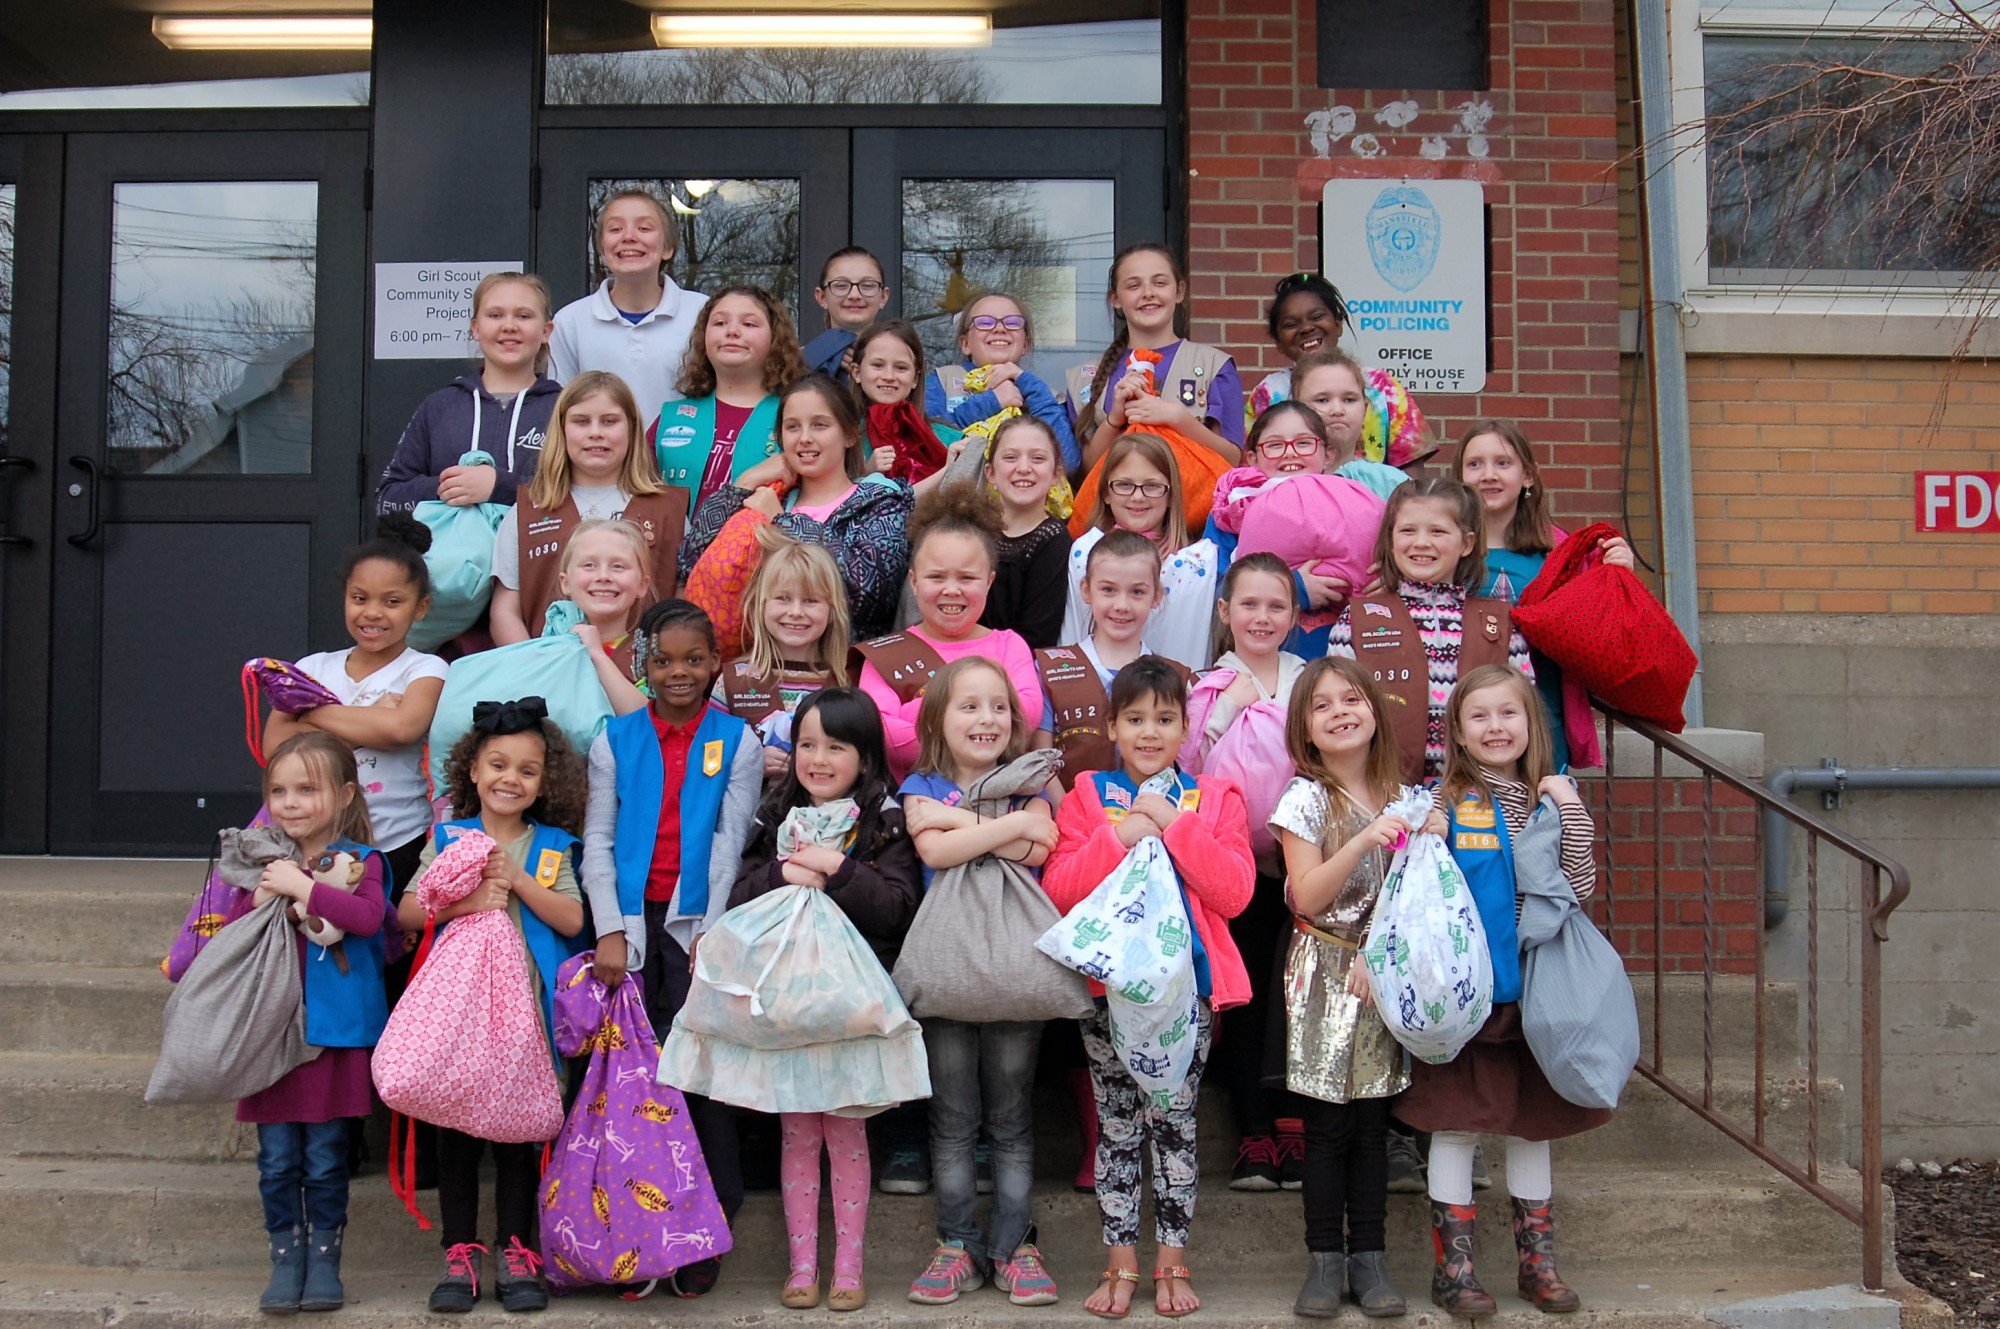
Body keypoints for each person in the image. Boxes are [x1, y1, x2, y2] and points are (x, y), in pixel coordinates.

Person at [1041, 657, 1255, 1321]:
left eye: (1165, 718)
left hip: (1185, 995)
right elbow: (1061, 890)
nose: (1149, 731)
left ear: (1186, 727)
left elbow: (1235, 891)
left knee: (1175, 1123)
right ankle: (1119, 1259)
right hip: (1109, 996)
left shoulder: (1216, 798)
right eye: (1134, 718)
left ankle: (1171, 1258)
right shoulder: (1085, 795)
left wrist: (1174, 821)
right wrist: (1124, 832)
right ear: (1111, 723)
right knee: (1118, 1127)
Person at [1402, 664, 1610, 1316]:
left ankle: (1537, 1264)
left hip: (1539, 992)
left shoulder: (1550, 797)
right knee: (1458, 1124)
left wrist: (1569, 806)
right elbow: (1420, 888)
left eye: (1508, 714)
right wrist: (1424, 834)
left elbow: (1581, 886)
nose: (1496, 726)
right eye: (1480, 716)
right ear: (1457, 732)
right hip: (1469, 993)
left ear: (1531, 724)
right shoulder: (1443, 800)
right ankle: (1454, 1270)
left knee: (1530, 1125)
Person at [580, 599, 764, 1298]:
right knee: (636, 1078)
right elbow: (598, 839)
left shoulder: (736, 741)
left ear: (716, 663)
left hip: (696, 928)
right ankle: (637, 1227)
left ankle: (704, 1224)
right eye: (664, 659)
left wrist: (709, 929)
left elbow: (729, 841)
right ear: (644, 664)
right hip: (626, 927)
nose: (678, 672)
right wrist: (609, 927)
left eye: (694, 659)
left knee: (698, 1070)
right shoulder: (615, 739)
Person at [727, 687, 922, 1312]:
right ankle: (802, 1265)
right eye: (806, 743)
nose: (817, 758)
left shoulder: (885, 823)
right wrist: (782, 872)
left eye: (835, 746)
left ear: (865, 758)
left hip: (850, 1005)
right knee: (796, 1135)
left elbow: (897, 909)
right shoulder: (772, 814)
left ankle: (848, 1267)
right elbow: (736, 899)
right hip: (785, 1006)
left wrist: (836, 867)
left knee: (846, 1135)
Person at [402, 699, 589, 1314]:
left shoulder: (556, 846)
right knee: (455, 1139)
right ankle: (461, 1252)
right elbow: (407, 913)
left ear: (544, 782)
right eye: (498, 765)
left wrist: (516, 876)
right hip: (457, 1018)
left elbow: (572, 917)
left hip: (527, 1019)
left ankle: (517, 1249)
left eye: (527, 771)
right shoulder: (448, 837)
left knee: (519, 1138)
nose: (511, 779)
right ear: (474, 772)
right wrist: (469, 901)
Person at [1269, 658, 1442, 1318]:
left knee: (1374, 1126)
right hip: (1324, 970)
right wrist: (1367, 835)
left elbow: (1417, 893)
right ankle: (1323, 1262)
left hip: (1384, 974)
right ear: (1306, 730)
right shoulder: (1304, 798)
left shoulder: (1405, 794)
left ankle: (1370, 1258)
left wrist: (1431, 833)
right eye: (1323, 705)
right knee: (1328, 1125)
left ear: (1374, 709)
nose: (1341, 710)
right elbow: (1308, 894)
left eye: (1352, 698)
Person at [899, 657, 1062, 1308]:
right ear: (938, 717)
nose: (987, 718)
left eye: (999, 706)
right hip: (947, 969)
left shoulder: (1032, 784)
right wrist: (1010, 826)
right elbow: (929, 849)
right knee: (954, 1117)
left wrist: (971, 826)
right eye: (970, 705)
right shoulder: (920, 781)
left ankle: (1015, 1244)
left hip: (1016, 970)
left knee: (1013, 1118)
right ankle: (956, 1243)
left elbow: (1041, 846)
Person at [240, 733, 389, 1315]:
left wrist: (305, 886)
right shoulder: (256, 857)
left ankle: (325, 1258)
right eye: (278, 790)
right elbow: (229, 931)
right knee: (276, 1157)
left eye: (307, 788)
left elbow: (369, 917)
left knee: (326, 1155)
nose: (290, 802)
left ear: (345, 793)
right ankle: (286, 1257)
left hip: (332, 1033)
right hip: (271, 1030)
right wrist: (255, 902)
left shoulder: (363, 861)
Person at [1185, 553, 1309, 1192]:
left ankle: (1294, 1122)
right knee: (1247, 991)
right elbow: (1191, 765)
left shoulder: (1310, 681)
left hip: (1308, 864)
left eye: (1276, 606)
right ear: (1225, 611)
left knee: (1299, 993)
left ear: (1295, 615)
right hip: (1238, 868)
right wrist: (1228, 710)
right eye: (1249, 605)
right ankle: (1253, 1132)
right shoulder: (1208, 685)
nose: (1262, 617)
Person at [263, 515, 444, 893]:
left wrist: (310, 713)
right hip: (312, 841)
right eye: (359, 598)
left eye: (392, 601)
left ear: (421, 607)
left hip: (396, 840)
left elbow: (401, 729)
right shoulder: (312, 668)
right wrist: (373, 719)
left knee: (385, 946)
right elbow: (276, 749)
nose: (372, 613)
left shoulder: (426, 668)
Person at [1454, 419, 1634, 770]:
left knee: (1542, 815)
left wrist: (1619, 572)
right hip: (1461, 720)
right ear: (1459, 477)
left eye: (1502, 463)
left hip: (1541, 713)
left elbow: (1605, 627)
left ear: (1528, 477)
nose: (1488, 474)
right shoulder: (1443, 547)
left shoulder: (1562, 552)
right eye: (1475, 464)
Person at [679, 373, 915, 641]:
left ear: (850, 435)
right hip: (760, 666)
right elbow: (689, 563)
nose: (804, 438)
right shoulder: (770, 496)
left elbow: (870, 594)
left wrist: (783, 523)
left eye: (819, 425)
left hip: (842, 671)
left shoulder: (881, 504)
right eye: (792, 427)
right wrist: (744, 483)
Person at [1327, 478, 1531, 783]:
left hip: (1481, 799)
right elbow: (1336, 708)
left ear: (1466, 544)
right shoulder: (1357, 619)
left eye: (1437, 531)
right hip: (1387, 796)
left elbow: (1524, 711)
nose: (1421, 542)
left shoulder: (1498, 623)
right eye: (1408, 530)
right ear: (1391, 540)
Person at [856, 487, 1045, 780]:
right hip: (911, 808)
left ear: (989, 581)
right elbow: (883, 734)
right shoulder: (885, 653)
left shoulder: (1010, 645)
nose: (952, 589)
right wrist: (980, 721)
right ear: (914, 581)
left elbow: (1025, 716)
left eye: (967, 577)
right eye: (936, 577)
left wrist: (916, 712)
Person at [490, 371, 684, 645]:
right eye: (581, 421)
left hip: (643, 679)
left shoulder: (669, 511)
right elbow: (505, 611)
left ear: (631, 427)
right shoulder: (528, 510)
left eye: (609, 421)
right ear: (562, 429)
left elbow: (684, 604)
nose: (596, 433)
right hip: (550, 674)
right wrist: (533, 668)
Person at [376, 271, 561, 513]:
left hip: (539, 551)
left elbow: (586, 498)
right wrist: (453, 487)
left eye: (523, 316)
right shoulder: (440, 407)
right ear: (475, 328)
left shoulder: (565, 409)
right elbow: (387, 501)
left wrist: (500, 487)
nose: (509, 326)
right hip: (449, 551)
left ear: (546, 331)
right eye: (495, 315)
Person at [1033, 529, 1181, 803]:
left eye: (1137, 592)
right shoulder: (1047, 669)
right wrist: (1074, 820)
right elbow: (1040, 761)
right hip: (1071, 831)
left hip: (1154, 830)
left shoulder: (1178, 678)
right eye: (1108, 590)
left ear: (1157, 595)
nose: (1121, 605)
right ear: (1086, 590)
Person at [1071, 244, 1244, 476]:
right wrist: (1114, 420)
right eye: (1134, 285)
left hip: (1193, 510)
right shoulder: (1082, 377)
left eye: (1160, 283)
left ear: (1179, 291)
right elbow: (1080, 473)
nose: (1148, 293)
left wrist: (1179, 419)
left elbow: (1232, 460)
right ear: (1115, 299)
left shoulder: (1215, 365)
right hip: (1113, 509)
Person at [549, 189, 704, 436]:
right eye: (615, 229)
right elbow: (560, 410)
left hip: (683, 468)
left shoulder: (703, 314)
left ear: (668, 248)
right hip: (601, 469)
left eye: (644, 228)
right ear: (601, 250)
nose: (629, 237)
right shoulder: (570, 322)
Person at [1061, 433, 1220, 672]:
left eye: (1152, 486)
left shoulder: (1196, 564)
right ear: (1106, 492)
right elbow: (1073, 632)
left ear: (1170, 495)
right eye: (1125, 485)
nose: (1138, 496)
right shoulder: (1085, 553)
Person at [714, 534, 852, 776]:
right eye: (783, 599)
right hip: (750, 810)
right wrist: (751, 761)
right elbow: (707, 755)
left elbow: (867, 760)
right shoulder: (732, 682)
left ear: (833, 609)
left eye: (810, 600)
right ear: (760, 604)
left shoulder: (849, 681)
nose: (796, 612)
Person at [656, 285, 803, 512]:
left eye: (749, 324)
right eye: (719, 323)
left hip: (766, 544)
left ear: (776, 337)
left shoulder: (797, 416)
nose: (732, 331)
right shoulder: (670, 418)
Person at [927, 293, 1081, 477]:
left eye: (1013, 322)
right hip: (961, 501)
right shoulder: (942, 380)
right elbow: (927, 449)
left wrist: (1027, 383)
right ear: (965, 343)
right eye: (984, 322)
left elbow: (1068, 463)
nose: (999, 328)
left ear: (1026, 344)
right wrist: (992, 401)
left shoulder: (1046, 395)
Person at [979, 416, 1072, 649]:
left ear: (1055, 475)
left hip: (1013, 669)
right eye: (1010, 457)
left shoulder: (1053, 540)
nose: (1023, 468)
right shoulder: (973, 531)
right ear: (990, 472)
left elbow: (1037, 637)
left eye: (1038, 458)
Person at [551, 518, 654, 716]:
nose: (604, 576)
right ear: (565, 583)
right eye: (589, 565)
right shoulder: (549, 648)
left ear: (642, 585)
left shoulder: (651, 654)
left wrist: (596, 654)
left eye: (618, 567)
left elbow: (644, 722)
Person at [849, 318, 965, 493]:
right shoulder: (842, 439)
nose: (888, 375)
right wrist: (866, 472)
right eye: (878, 365)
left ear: (916, 379)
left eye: (901, 368)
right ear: (857, 372)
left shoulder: (950, 440)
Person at [1245, 272, 1350, 425]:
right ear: (1278, 343)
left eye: (1317, 317)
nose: (1306, 328)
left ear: (1338, 325)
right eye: (1291, 325)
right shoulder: (1269, 392)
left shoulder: (1382, 389)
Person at [802, 247, 892, 378]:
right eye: (841, 285)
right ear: (822, 297)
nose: (854, 295)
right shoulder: (793, 364)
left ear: (884, 296)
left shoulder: (903, 363)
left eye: (867, 285)